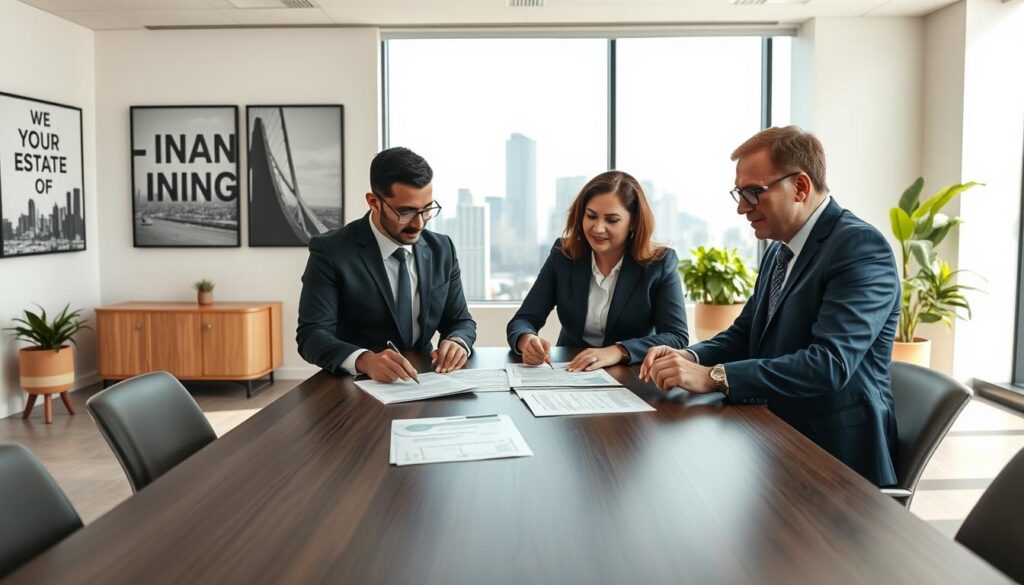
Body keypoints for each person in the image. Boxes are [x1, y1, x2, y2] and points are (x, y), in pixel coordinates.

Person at [640, 126, 900, 487]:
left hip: (835, 459)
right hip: (773, 434)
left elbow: (829, 364)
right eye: (739, 193)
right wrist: (691, 358)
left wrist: (717, 377)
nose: (741, 208)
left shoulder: (860, 248)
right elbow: (745, 334)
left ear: (800, 187)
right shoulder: (781, 249)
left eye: (753, 193)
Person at [297, 147, 477, 382]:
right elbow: (311, 335)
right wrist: (364, 360)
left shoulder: (442, 249)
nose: (419, 223)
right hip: (356, 384)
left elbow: (460, 320)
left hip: (426, 379)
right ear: (374, 202)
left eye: (427, 210)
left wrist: (457, 342)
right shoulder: (331, 251)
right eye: (406, 212)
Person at [507, 170, 688, 372]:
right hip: (570, 370)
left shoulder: (660, 263)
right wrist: (526, 340)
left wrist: (619, 351)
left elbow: (676, 337)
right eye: (591, 216)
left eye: (612, 220)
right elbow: (523, 319)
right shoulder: (564, 255)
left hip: (632, 375)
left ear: (634, 222)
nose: (598, 228)